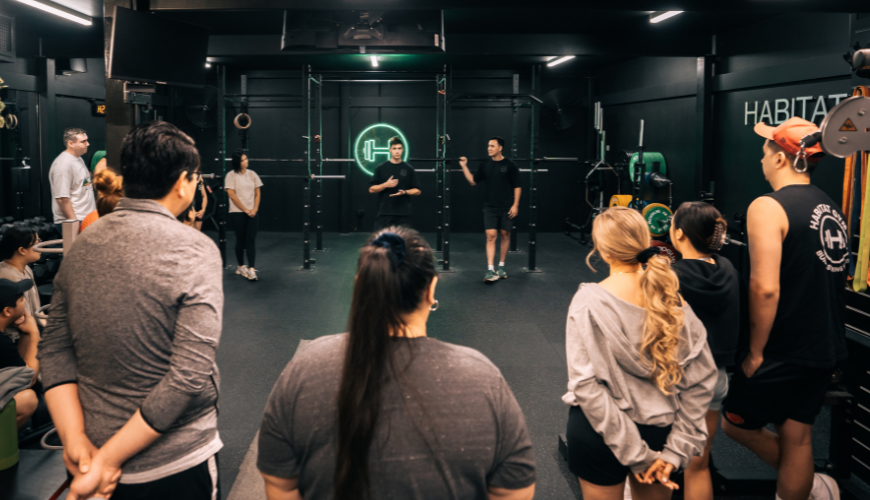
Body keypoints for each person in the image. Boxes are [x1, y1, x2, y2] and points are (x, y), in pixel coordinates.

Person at [257, 227, 536, 500]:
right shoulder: (483, 376)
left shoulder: (303, 368)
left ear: (360, 285)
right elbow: (515, 491)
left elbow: (281, 485)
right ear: (431, 290)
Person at [38, 121, 224, 500]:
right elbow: (188, 376)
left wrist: (77, 443)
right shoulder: (195, 248)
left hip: (90, 456)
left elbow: (54, 350)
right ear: (183, 182)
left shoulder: (85, 245)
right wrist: (108, 460)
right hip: (173, 463)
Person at [721, 117, 846, 500]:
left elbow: (765, 289)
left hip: (782, 349)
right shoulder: (830, 207)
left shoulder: (767, 207)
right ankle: (806, 486)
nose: (761, 160)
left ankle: (806, 483)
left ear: (780, 159)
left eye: (764, 152)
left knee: (735, 425)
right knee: (797, 437)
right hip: (822, 347)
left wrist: (756, 352)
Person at [564, 206, 717, 500]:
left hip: (598, 433)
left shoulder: (587, 300)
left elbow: (585, 386)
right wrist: (674, 452)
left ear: (602, 250)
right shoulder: (673, 302)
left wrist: (635, 454)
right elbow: (702, 381)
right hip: (659, 432)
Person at [669, 202, 741, 500]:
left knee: (660, 458)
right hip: (715, 378)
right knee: (697, 463)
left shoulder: (670, 276)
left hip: (678, 381)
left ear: (680, 235)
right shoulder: (728, 269)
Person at [458, 137, 521, 283]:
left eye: (492, 146)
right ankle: (490, 269)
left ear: (500, 148)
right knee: (491, 236)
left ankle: (501, 266)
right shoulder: (485, 165)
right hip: (490, 207)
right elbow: (473, 181)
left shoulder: (510, 165)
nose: (489, 148)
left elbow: (517, 186)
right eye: (488, 146)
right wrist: (464, 166)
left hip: (506, 207)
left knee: (505, 235)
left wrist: (515, 205)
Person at [0, 279, 40, 429]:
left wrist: (25, 335)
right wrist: (34, 332)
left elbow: (18, 370)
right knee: (28, 400)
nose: (25, 303)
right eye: (22, 299)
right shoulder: (1, 343)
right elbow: (29, 378)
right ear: (8, 311)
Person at [368, 136, 422, 230]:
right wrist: (385, 185)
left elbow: (417, 190)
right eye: (394, 148)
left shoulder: (408, 169)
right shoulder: (381, 168)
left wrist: (405, 192)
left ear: (403, 150)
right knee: (380, 242)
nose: (397, 151)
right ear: (390, 150)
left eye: (399, 148)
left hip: (404, 213)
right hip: (385, 212)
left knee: (404, 243)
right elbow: (371, 189)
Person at [49, 128, 96, 232]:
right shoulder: (63, 164)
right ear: (71, 143)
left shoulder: (78, 158)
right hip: (75, 220)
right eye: (83, 141)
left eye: (87, 140)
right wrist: (74, 224)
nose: (87, 144)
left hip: (86, 218)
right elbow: (62, 198)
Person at [225, 150, 263, 281]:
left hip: (252, 212)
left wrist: (254, 209)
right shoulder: (231, 175)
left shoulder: (252, 174)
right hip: (237, 212)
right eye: (242, 160)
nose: (245, 162)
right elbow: (231, 195)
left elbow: (257, 193)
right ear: (237, 162)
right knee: (240, 240)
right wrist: (245, 210)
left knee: (250, 240)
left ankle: (251, 269)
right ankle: (241, 267)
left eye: (246, 159)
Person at [0, 225, 43, 337]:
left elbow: (36, 309)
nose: (41, 246)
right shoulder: (8, 278)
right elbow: (24, 322)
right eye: (37, 242)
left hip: (32, 328)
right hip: (17, 337)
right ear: (22, 250)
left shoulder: (26, 269)